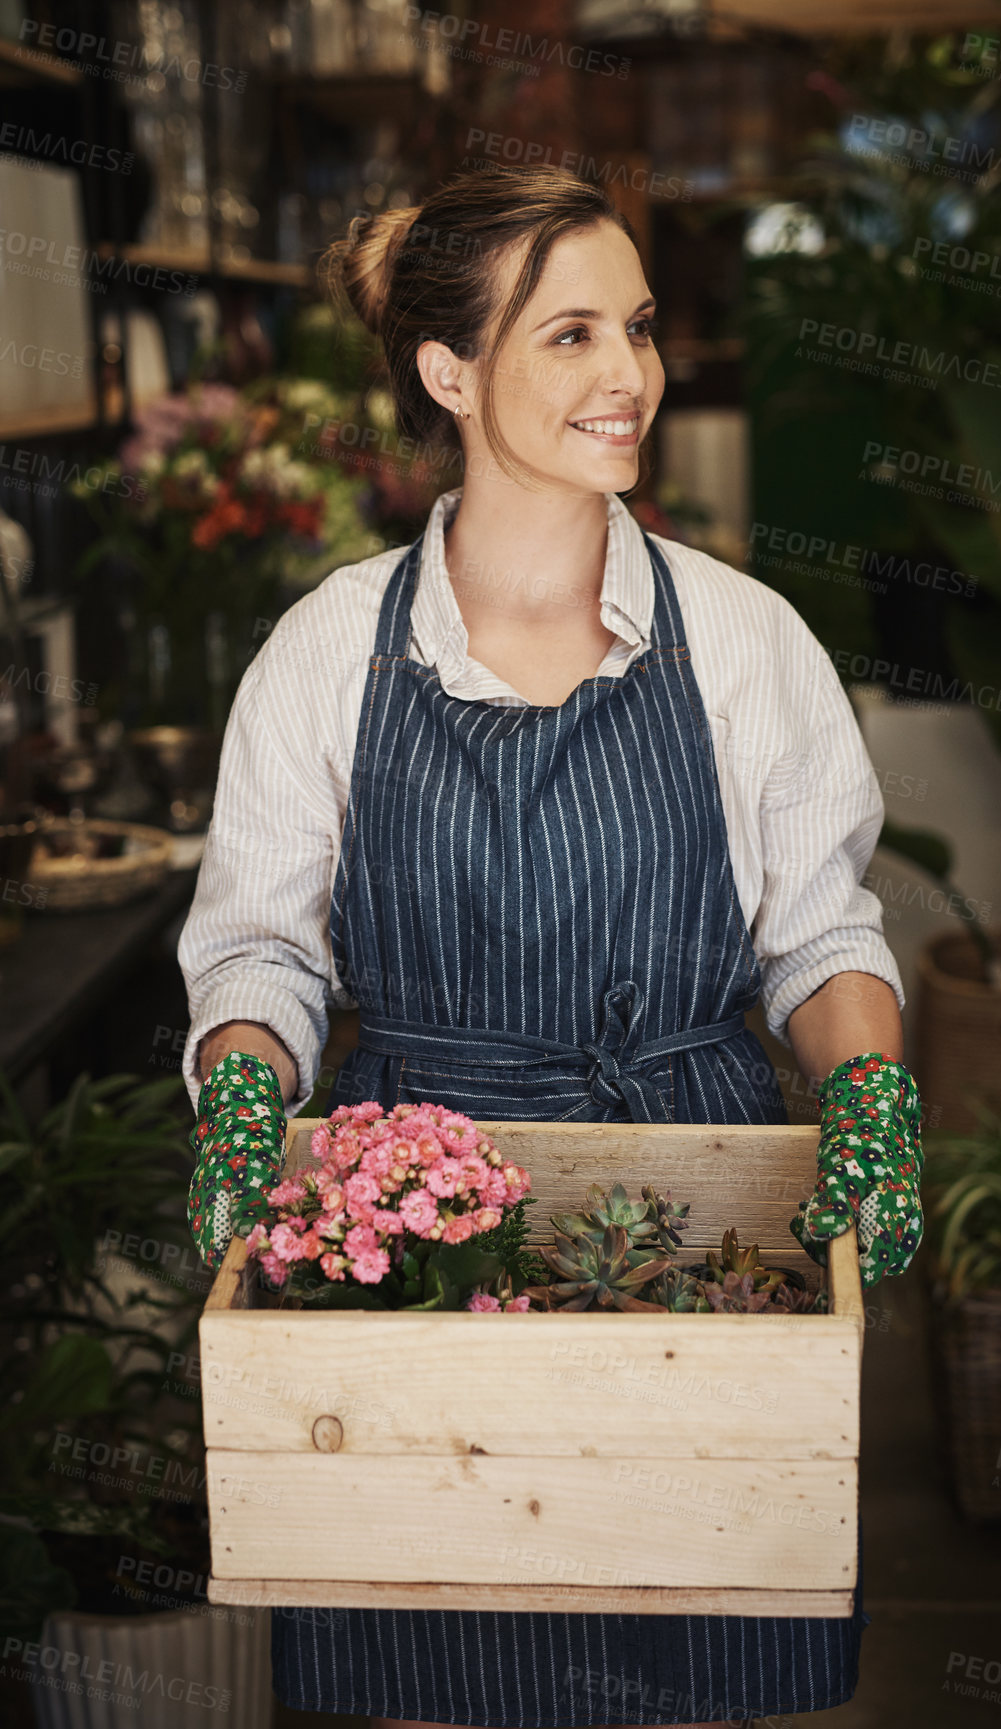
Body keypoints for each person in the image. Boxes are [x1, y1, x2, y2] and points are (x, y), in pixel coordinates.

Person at [180, 163, 923, 1728]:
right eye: (570, 334)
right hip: (419, 1244)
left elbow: (819, 933)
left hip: (701, 1226)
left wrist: (867, 1091)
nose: (631, 377)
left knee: (709, 1642)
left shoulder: (741, 638)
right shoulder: (326, 653)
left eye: (638, 328)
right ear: (449, 374)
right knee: (437, 1645)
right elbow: (262, 958)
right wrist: (248, 1094)